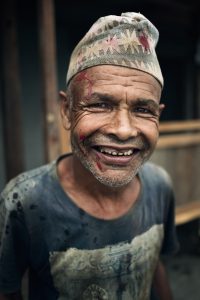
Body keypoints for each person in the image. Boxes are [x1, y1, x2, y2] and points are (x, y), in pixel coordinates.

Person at [0, 12, 179, 300]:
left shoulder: (160, 186)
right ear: (67, 110)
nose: (123, 130)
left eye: (143, 110)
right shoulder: (24, 203)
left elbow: (155, 263)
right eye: (99, 104)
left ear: (158, 116)